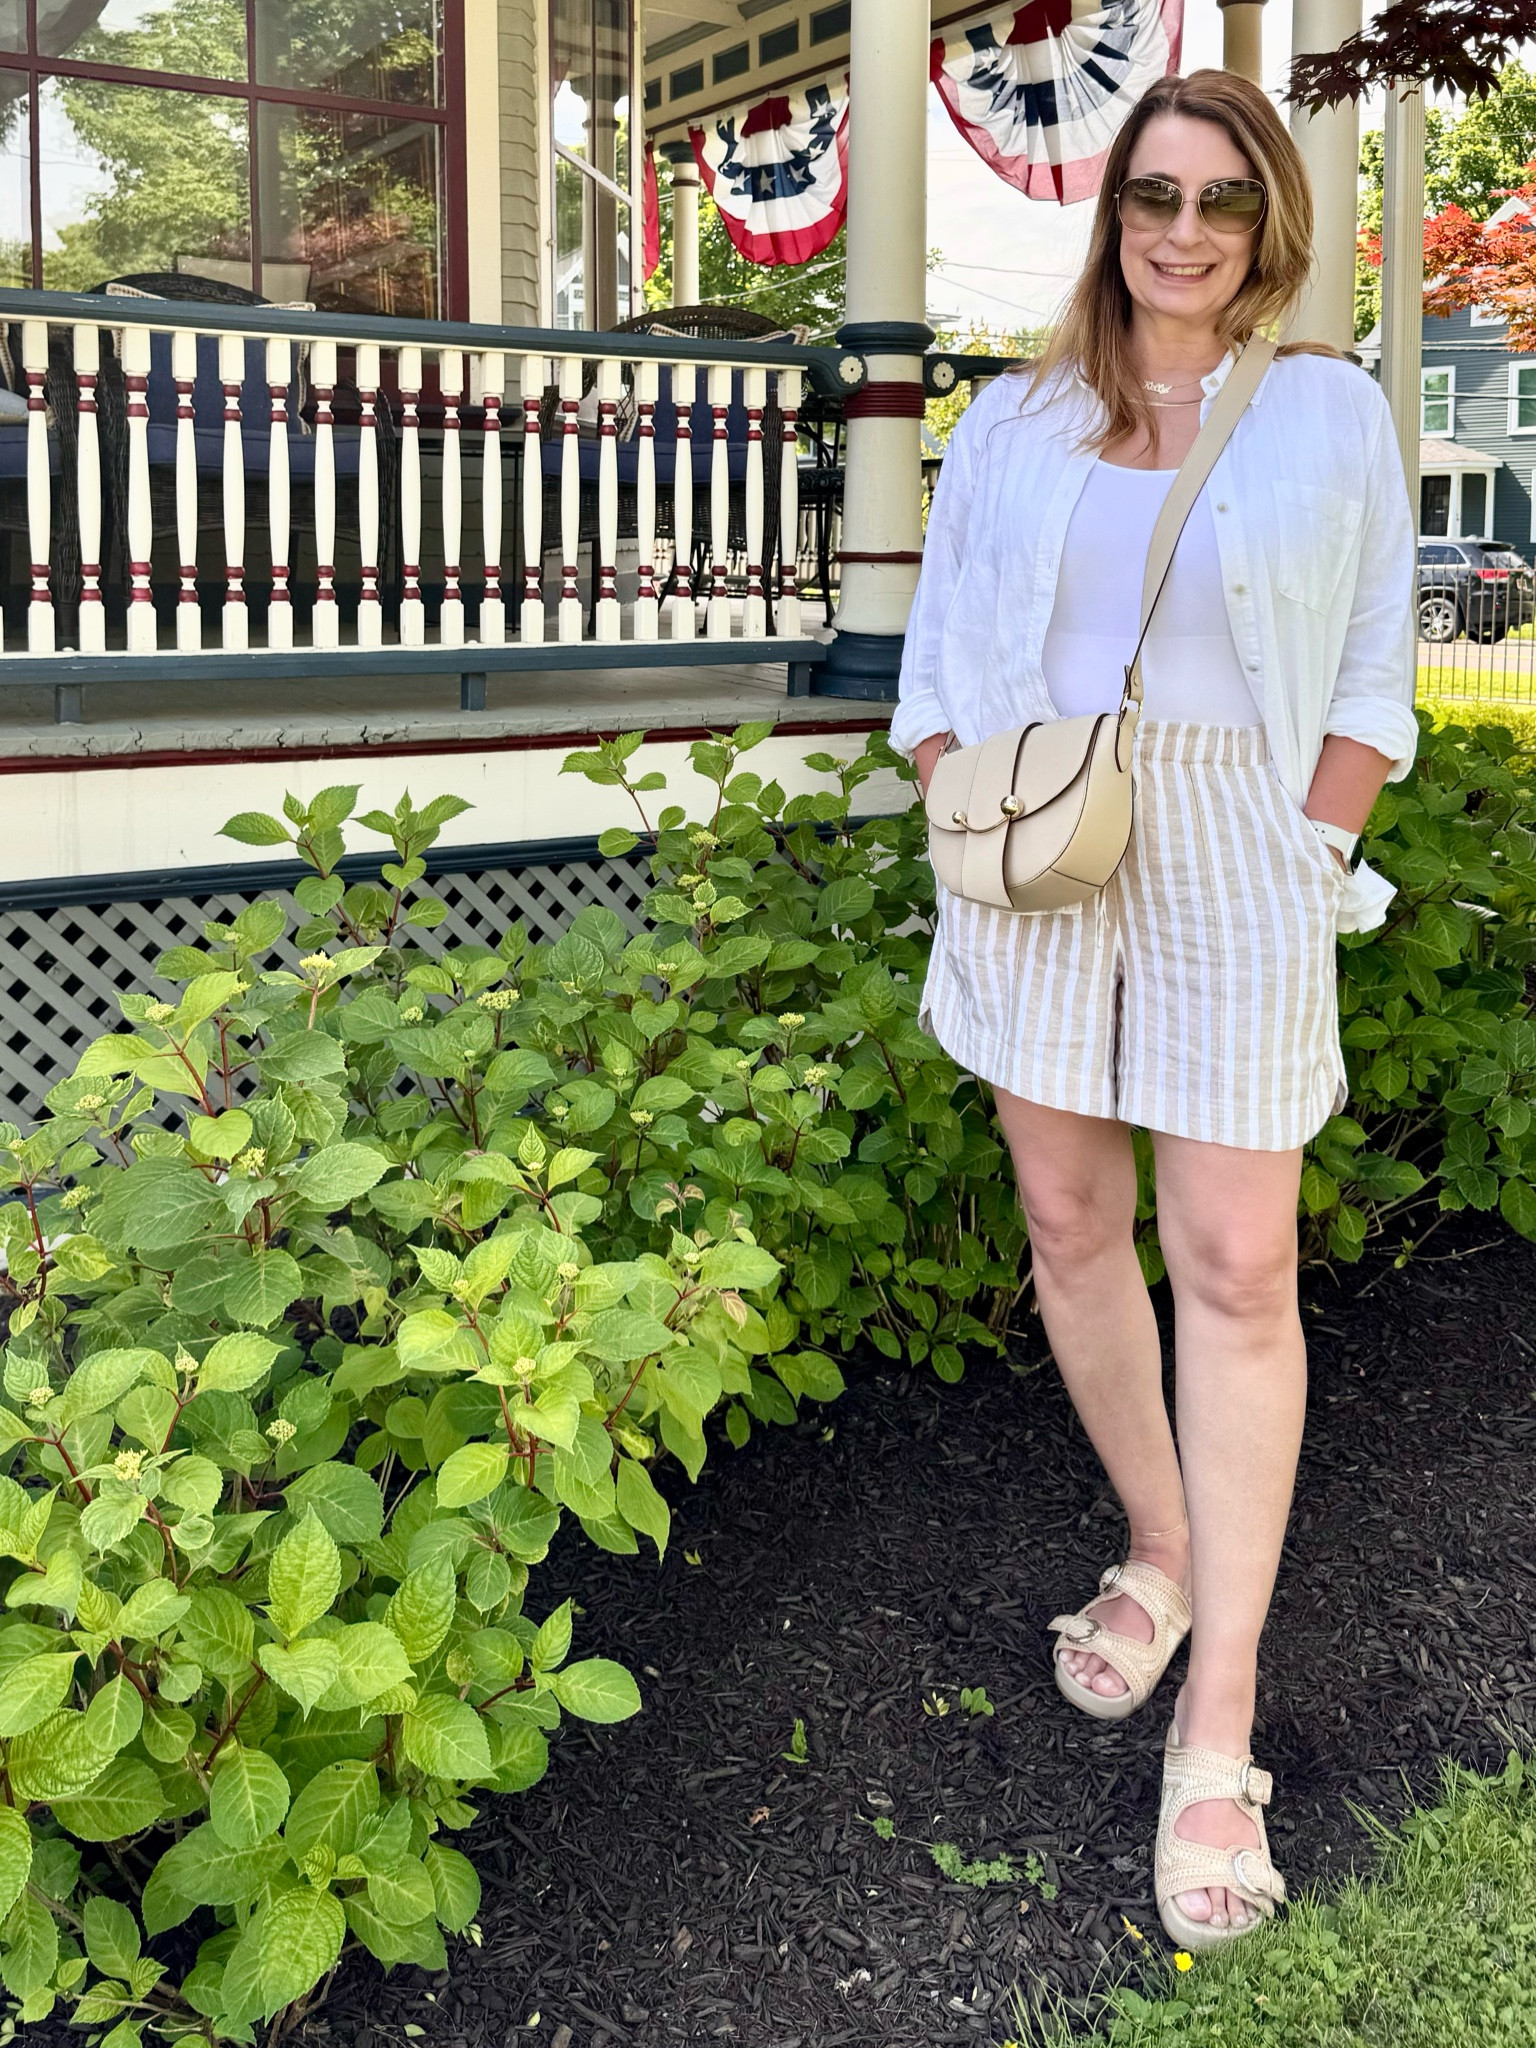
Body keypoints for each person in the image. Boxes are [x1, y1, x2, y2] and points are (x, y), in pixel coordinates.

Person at [889, 68, 1417, 1951]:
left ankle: (1222, 1723)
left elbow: (1375, 662)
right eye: (1152, 196)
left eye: (1220, 201)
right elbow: (940, 649)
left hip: (1234, 845)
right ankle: (1164, 1544)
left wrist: (1308, 840)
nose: (1183, 230)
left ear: (1267, 227)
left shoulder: (1330, 416)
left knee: (1237, 1261)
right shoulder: (1020, 419)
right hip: (1042, 834)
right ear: (1113, 214)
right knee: (1068, 1218)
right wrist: (965, 775)